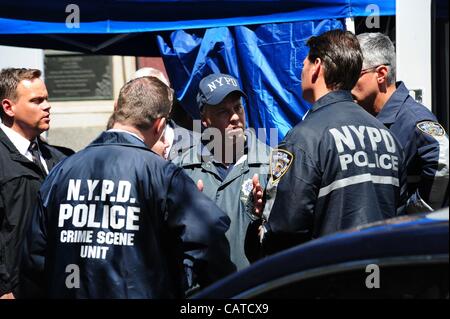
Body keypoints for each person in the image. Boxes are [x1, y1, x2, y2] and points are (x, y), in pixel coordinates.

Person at [20, 76, 234, 298]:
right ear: (160, 125)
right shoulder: (162, 173)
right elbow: (210, 242)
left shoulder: (61, 172)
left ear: (117, 109)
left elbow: (34, 260)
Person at [258, 30, 407, 255]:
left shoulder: (303, 138)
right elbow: (400, 214)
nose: (302, 71)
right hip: (383, 277)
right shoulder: (387, 137)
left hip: (330, 280)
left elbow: (285, 228)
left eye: (304, 64)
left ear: (317, 66)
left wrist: (258, 226)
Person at [173, 73, 272, 271]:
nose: (235, 117)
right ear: (205, 119)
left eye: (238, 107)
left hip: (256, 287)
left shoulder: (270, 162)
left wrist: (262, 216)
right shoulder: (183, 169)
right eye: (223, 112)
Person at [352, 32, 449, 213]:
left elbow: (443, 161)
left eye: (354, 74)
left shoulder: (413, 118)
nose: (346, 83)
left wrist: (413, 213)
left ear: (381, 74)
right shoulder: (363, 114)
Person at [0, 68, 73, 299]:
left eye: (47, 99)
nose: (47, 106)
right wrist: (3, 288)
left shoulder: (59, 158)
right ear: (8, 107)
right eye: (37, 100)